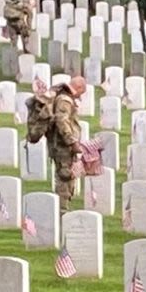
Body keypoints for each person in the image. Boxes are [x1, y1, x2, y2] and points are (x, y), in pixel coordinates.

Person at [49, 77, 88, 214]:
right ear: (78, 88)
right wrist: (72, 141)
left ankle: (62, 208)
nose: (79, 97)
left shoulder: (63, 97)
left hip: (63, 145)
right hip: (62, 146)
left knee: (68, 175)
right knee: (65, 176)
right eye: (80, 93)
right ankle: (61, 210)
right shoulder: (65, 100)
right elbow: (62, 121)